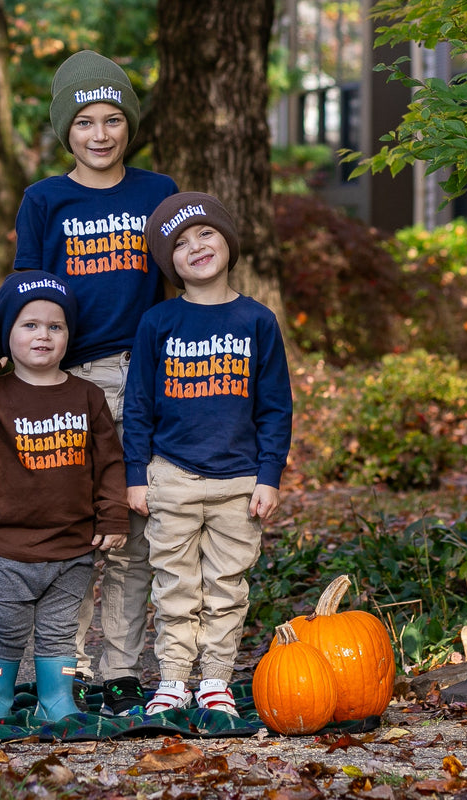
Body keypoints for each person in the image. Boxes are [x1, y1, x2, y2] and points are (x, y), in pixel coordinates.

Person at [12, 49, 179, 717]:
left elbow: (184, 284)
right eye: (86, 122)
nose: (102, 134)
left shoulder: (156, 192)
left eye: (114, 119)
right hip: (71, 380)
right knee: (76, 528)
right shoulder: (45, 200)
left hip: (146, 378)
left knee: (137, 526)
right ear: (67, 131)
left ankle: (119, 670)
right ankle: (66, 666)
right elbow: (27, 294)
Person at [123, 192, 293, 715]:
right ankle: (173, 679)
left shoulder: (257, 321)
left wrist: (269, 477)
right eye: (179, 243)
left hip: (239, 483)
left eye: (205, 233)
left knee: (226, 586)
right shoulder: (158, 323)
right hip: (171, 475)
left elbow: (275, 407)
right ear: (168, 263)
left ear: (228, 242)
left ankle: (216, 678)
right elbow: (139, 406)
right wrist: (136, 475)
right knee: (175, 584)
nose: (195, 247)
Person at [0, 271, 129, 723]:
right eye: (29, 324)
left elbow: (110, 462)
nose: (43, 334)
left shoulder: (87, 395)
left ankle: (56, 700)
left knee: (59, 634)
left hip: (72, 547)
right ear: (8, 335)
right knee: (6, 631)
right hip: (13, 550)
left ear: (68, 336)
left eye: (55, 326)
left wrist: (114, 517)